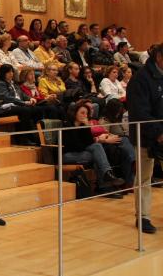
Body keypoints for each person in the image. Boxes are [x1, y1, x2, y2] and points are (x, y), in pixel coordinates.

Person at [127, 43, 163, 234]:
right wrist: (158, 133)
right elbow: (139, 112)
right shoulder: (140, 79)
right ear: (158, 56)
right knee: (144, 178)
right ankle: (143, 217)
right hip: (145, 135)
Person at [62, 102, 126, 194]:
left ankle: (105, 183)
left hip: (82, 153)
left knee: (97, 148)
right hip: (67, 155)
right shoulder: (67, 125)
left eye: (86, 114)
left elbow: (89, 142)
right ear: (75, 113)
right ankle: (105, 183)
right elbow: (75, 146)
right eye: (82, 113)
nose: (85, 115)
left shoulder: (82, 126)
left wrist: (87, 127)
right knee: (97, 154)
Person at [0, 64, 43, 145]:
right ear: (3, 73)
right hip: (4, 108)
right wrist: (23, 103)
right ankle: (22, 139)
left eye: (12, 71)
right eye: (8, 72)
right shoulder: (0, 84)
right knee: (25, 110)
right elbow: (7, 98)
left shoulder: (14, 84)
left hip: (17, 106)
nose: (11, 73)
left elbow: (22, 94)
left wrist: (30, 98)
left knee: (37, 109)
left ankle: (35, 137)